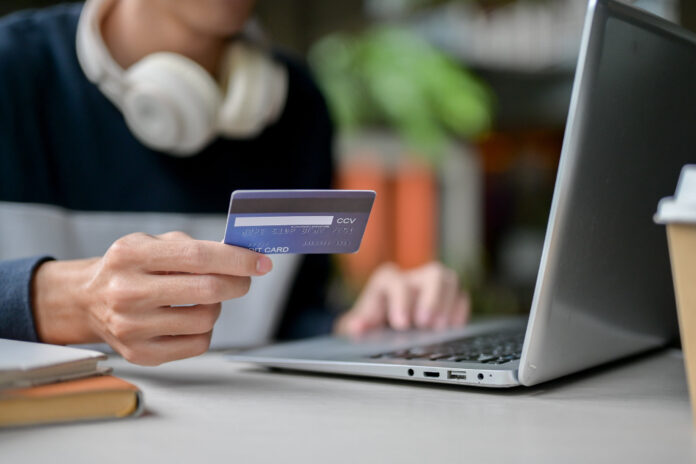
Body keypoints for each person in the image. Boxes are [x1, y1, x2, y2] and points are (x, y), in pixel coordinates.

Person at [0, 0, 470, 366]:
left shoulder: (298, 109)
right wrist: (61, 301)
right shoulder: (12, 71)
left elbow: (288, 319)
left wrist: (362, 324)